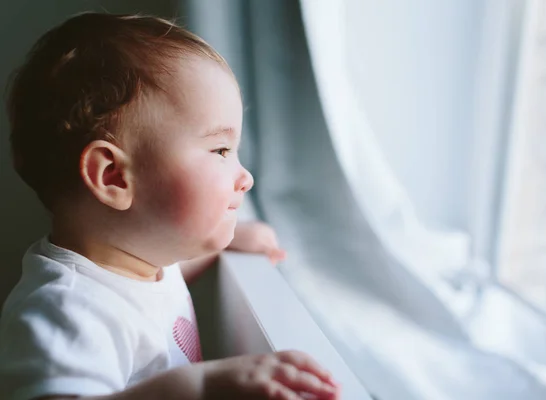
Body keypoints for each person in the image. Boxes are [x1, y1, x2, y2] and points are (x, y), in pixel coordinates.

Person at [0, 12, 340, 400]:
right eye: (221, 149)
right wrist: (197, 385)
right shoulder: (66, 312)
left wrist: (227, 240)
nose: (244, 176)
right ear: (113, 177)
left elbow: (166, 278)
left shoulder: (137, 263)